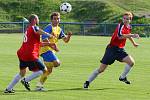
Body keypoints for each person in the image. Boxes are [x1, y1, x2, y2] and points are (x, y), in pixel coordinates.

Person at [83, 12, 140, 89]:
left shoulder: (129, 27)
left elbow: (128, 35)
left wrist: (134, 43)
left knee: (131, 62)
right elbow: (120, 36)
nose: (125, 20)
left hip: (120, 50)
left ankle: (122, 77)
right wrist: (132, 35)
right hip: (111, 49)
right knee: (101, 69)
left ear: (130, 20)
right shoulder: (120, 25)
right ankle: (87, 82)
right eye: (124, 18)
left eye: (127, 19)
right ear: (122, 19)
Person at [4, 14, 53, 93]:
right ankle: (26, 80)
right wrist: (48, 35)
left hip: (22, 53)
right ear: (34, 20)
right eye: (37, 19)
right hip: (30, 54)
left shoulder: (28, 29)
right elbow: (38, 30)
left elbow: (37, 43)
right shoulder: (34, 27)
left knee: (22, 73)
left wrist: (49, 44)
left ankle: (8, 89)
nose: (38, 20)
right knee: (43, 70)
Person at [35, 12, 72, 91]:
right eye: (55, 19)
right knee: (57, 63)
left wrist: (69, 36)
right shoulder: (49, 27)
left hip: (51, 51)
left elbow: (65, 40)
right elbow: (44, 38)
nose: (57, 20)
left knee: (49, 71)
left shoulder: (59, 29)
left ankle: (39, 86)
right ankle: (41, 66)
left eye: (58, 18)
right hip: (45, 50)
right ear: (51, 20)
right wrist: (53, 46)